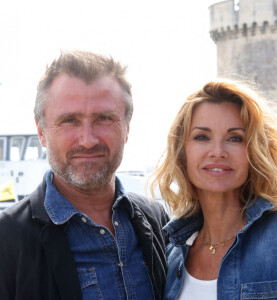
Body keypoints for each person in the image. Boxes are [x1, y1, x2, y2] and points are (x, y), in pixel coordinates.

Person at [0, 50, 169, 300]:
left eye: (104, 118)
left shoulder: (157, 220)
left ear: (127, 129)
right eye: (69, 120)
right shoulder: (7, 240)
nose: (88, 140)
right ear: (42, 132)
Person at [150, 79, 277, 300]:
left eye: (234, 138)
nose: (218, 151)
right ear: (183, 152)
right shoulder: (170, 252)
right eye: (202, 137)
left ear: (254, 151)